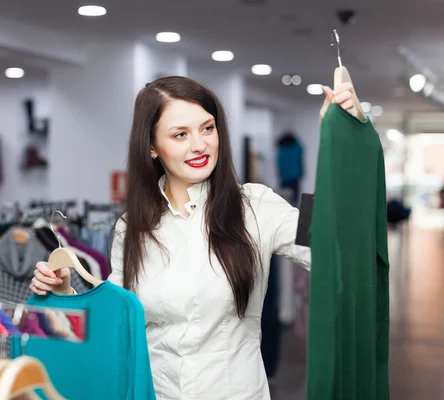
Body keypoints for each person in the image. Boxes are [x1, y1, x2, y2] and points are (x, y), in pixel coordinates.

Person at [30, 76, 357, 399]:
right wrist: (64, 292)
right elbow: (118, 323)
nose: (199, 145)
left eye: (208, 128)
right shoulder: (133, 226)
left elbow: (333, 248)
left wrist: (338, 146)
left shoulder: (255, 207)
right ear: (152, 147)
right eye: (180, 134)